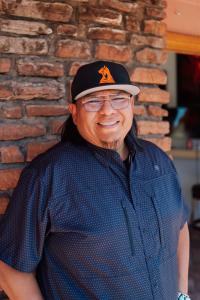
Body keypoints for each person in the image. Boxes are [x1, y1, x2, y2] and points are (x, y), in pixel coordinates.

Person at [0, 61, 190, 300]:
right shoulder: (49, 175)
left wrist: (182, 293)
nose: (107, 110)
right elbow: (10, 265)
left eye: (118, 98)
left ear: (131, 105)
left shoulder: (158, 160)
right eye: (93, 101)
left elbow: (180, 224)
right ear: (75, 112)